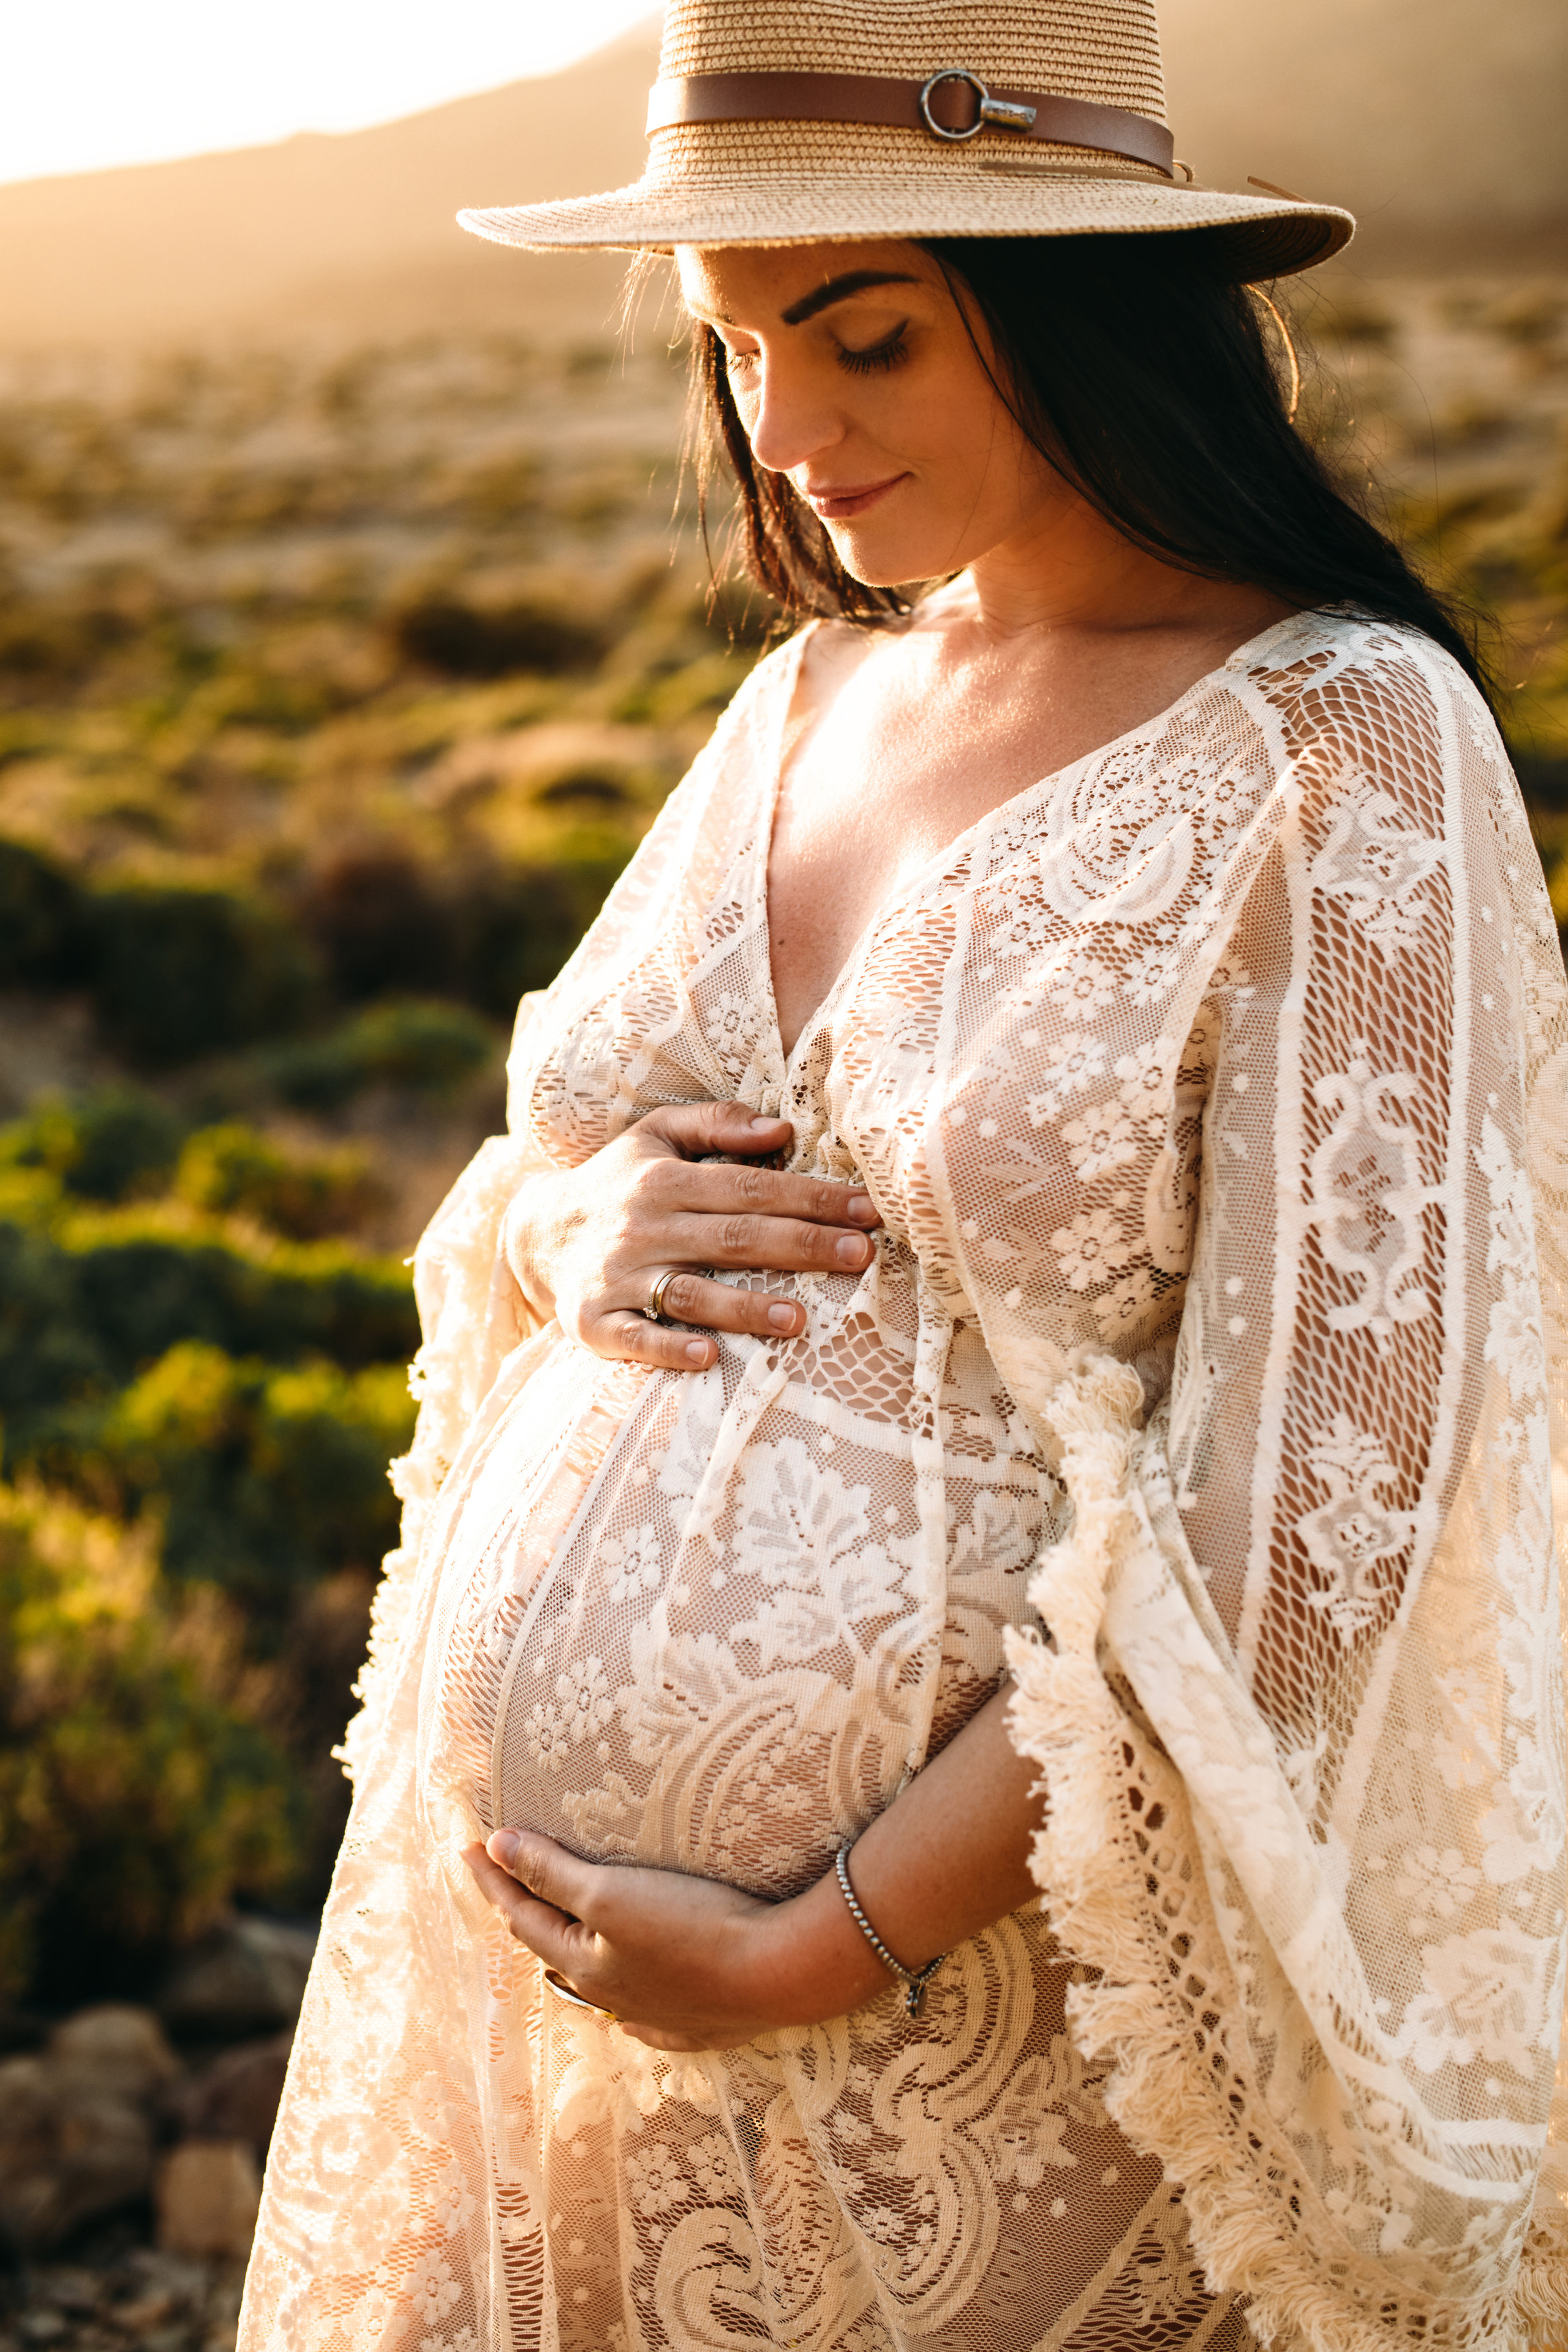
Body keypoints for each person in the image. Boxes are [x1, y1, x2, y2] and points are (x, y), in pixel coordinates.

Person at [238, 6, 1568, 2350]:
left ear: (1083, 311)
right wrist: (562, 1226)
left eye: (869, 335)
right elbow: (540, 1163)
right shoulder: (802, 702)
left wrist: (811, 1938)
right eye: (740, 347)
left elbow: (1307, 1539)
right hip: (548, 2020)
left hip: (1010, 2050)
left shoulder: (1347, 740)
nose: (792, 429)